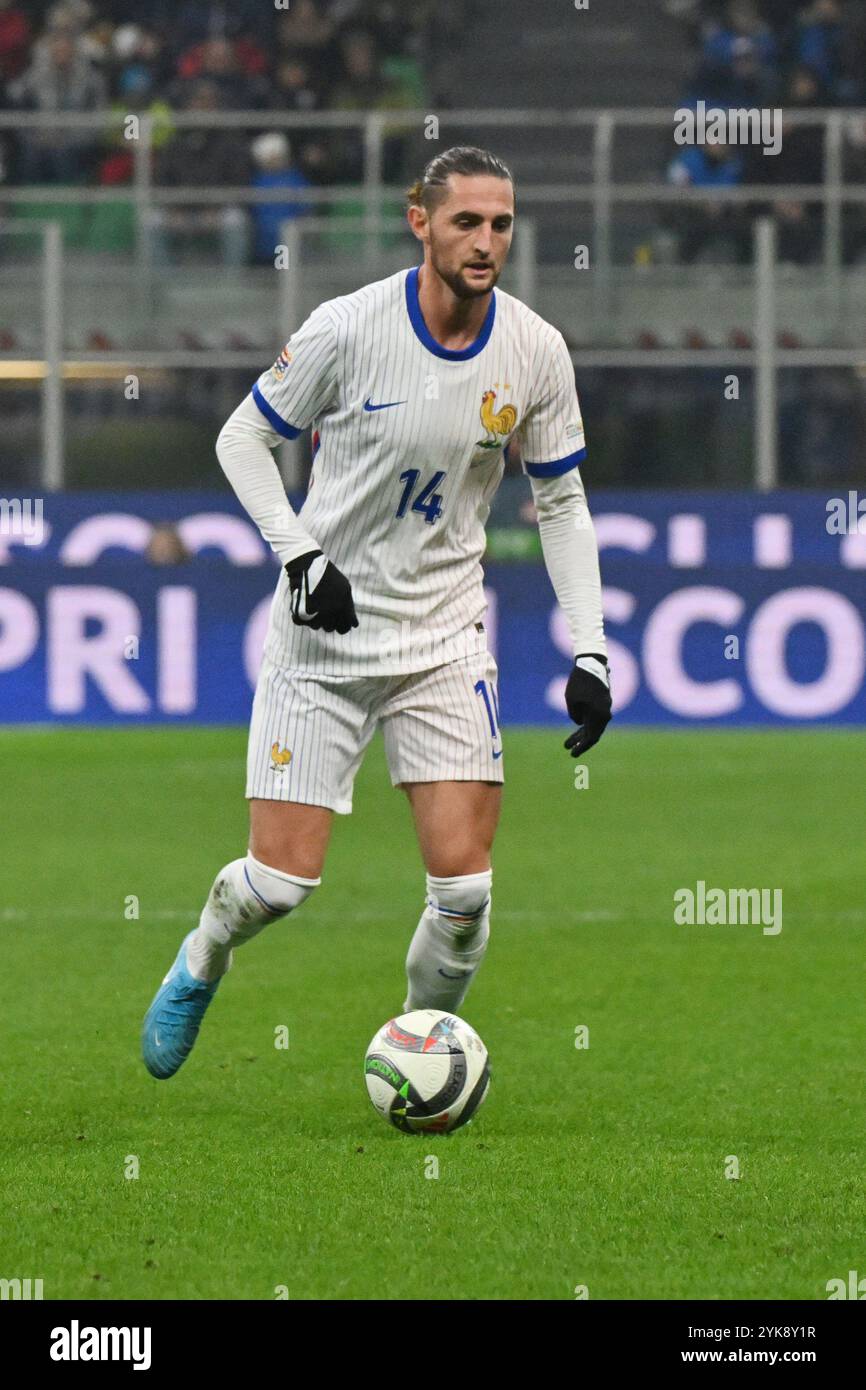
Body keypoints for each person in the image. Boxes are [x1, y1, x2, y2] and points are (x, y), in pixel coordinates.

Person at [141, 145, 612, 1081]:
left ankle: (419, 1055)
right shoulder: (347, 328)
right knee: (279, 883)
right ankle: (203, 953)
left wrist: (591, 651)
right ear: (421, 222)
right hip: (323, 641)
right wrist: (301, 555)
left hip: (442, 641)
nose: (485, 242)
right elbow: (243, 438)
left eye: (502, 224)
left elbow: (560, 502)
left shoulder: (534, 350)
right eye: (467, 221)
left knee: (465, 892)